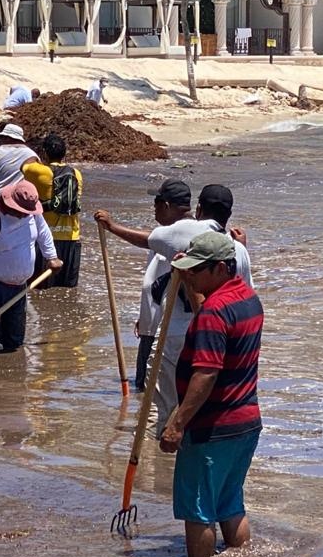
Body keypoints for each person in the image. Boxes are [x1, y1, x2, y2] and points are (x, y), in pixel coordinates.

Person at [94, 180, 252, 437]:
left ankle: (163, 451)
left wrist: (111, 226)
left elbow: (146, 240)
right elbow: (246, 297)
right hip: (220, 337)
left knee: (165, 404)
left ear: (199, 209)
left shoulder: (185, 230)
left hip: (178, 334)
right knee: (202, 401)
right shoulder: (238, 248)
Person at [161, 230, 263, 557]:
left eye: (197, 269)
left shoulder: (213, 315)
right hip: (245, 423)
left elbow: (205, 375)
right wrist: (190, 281)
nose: (189, 273)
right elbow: (209, 307)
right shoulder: (247, 299)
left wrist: (177, 424)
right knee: (230, 505)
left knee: (199, 511)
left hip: (212, 428)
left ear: (221, 268)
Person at [0, 180, 61, 355]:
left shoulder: (31, 212)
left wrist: (51, 256)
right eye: (22, 212)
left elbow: (43, 231)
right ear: (10, 204)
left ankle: (11, 380)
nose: (26, 215)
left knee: (14, 343)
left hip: (19, 288)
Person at [22, 133, 83, 288]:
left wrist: (35, 156)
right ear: (64, 154)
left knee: (39, 289)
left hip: (46, 239)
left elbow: (23, 165)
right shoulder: (76, 174)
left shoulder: (39, 172)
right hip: (71, 238)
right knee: (67, 291)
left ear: (45, 153)